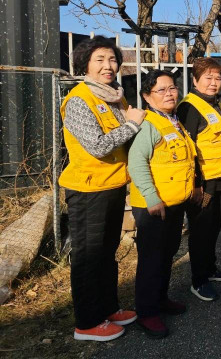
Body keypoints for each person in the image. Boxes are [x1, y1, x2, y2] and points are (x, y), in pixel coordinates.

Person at [60, 36, 145, 342]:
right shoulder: (78, 100)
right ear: (85, 64)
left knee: (107, 253)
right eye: (100, 60)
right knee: (88, 256)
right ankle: (86, 322)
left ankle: (108, 308)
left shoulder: (115, 97)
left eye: (112, 60)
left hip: (113, 184)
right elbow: (97, 146)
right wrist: (132, 125)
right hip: (88, 190)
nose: (108, 66)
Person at [128, 70, 196, 338]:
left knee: (167, 253)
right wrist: (151, 197)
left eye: (172, 88)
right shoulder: (149, 124)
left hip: (173, 201)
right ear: (147, 96)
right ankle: (147, 313)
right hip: (154, 204)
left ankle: (160, 299)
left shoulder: (173, 120)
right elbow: (137, 162)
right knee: (151, 259)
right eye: (161, 90)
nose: (169, 93)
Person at [177, 58, 221, 302]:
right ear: (195, 80)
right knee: (200, 230)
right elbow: (187, 150)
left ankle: (210, 268)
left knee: (213, 226)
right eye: (208, 77)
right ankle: (199, 280)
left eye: (217, 78)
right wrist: (197, 184)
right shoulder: (189, 108)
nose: (213, 82)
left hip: (219, 176)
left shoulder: (216, 106)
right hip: (203, 181)